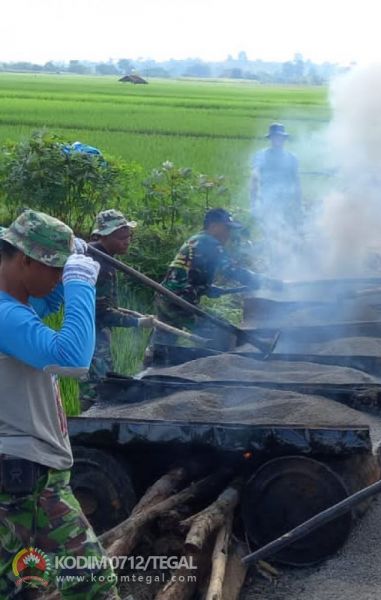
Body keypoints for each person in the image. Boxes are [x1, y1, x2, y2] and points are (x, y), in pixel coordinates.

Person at [0, 210, 120, 598]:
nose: (58, 279)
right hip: (22, 477)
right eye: (55, 269)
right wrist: (81, 284)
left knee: (25, 586)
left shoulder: (15, 302)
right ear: (24, 260)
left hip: (33, 470)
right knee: (90, 584)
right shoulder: (4, 315)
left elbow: (45, 300)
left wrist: (74, 261)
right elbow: (73, 358)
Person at [147, 208, 274, 356]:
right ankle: (216, 370)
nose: (229, 233)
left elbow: (188, 275)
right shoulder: (209, 243)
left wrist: (209, 288)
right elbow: (231, 270)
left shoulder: (196, 240)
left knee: (161, 345)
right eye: (227, 228)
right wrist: (261, 280)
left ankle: (149, 371)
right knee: (222, 333)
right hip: (179, 302)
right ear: (214, 226)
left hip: (166, 297)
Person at [80, 209, 152, 408]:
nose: (127, 241)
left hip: (97, 335)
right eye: (121, 237)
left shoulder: (106, 257)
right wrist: (137, 322)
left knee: (101, 385)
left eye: (129, 236)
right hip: (91, 337)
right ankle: (83, 430)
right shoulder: (97, 262)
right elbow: (102, 313)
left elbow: (106, 304)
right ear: (105, 236)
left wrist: (132, 313)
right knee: (96, 389)